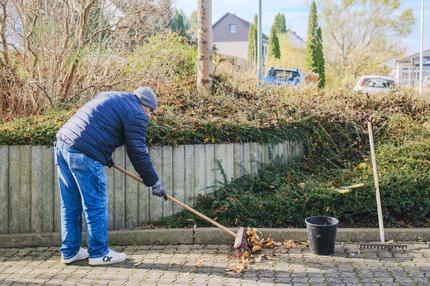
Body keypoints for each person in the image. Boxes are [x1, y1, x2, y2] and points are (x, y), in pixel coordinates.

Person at [54, 87, 167, 266]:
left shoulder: (112, 96)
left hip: (63, 145)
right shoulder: (137, 114)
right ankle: (99, 253)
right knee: (95, 205)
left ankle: (70, 251)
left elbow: (97, 124)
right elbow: (137, 151)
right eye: (151, 111)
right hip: (84, 154)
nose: (150, 116)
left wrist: (105, 157)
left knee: (70, 204)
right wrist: (154, 182)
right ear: (145, 106)